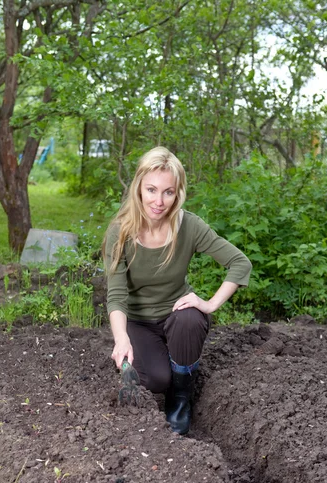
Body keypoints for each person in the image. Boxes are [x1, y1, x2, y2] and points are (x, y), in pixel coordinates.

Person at [103, 147, 252, 434]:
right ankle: (165, 370)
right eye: (151, 190)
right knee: (158, 379)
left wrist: (209, 304)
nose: (158, 201)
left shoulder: (189, 226)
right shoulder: (120, 231)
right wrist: (122, 339)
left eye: (168, 192)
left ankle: (181, 399)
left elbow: (239, 262)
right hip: (139, 322)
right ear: (138, 188)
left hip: (175, 316)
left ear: (178, 193)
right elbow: (117, 294)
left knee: (191, 318)